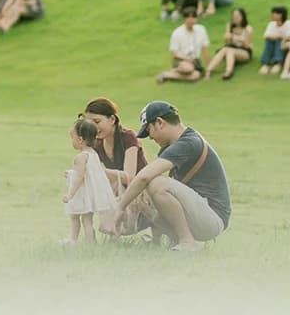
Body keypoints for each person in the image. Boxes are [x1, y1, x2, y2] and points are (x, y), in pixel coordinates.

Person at [112, 101, 231, 251]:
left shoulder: (188, 142)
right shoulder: (172, 146)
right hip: (199, 213)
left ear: (160, 123)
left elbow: (144, 177)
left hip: (212, 218)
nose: (150, 137)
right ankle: (160, 240)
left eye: (149, 131)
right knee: (145, 190)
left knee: (157, 185)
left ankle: (187, 242)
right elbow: (143, 182)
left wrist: (121, 207)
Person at [80, 98, 152, 237]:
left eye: (97, 122)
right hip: (121, 190)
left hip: (143, 190)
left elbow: (129, 177)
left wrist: (98, 171)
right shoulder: (98, 143)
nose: (94, 128)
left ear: (112, 119)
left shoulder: (128, 137)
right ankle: (91, 236)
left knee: (112, 187)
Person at [61, 118, 118, 244]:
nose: (72, 141)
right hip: (90, 195)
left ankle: (73, 239)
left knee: (74, 217)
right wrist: (71, 173)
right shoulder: (93, 154)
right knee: (87, 221)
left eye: (73, 138)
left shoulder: (80, 157)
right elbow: (89, 174)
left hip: (81, 194)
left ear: (80, 139)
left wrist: (70, 194)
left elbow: (80, 178)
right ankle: (90, 242)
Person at [158, 8, 210, 83]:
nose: (191, 20)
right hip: (180, 59)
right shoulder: (177, 33)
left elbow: (205, 51)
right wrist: (187, 59)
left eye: (193, 17)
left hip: (195, 60)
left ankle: (168, 75)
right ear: (184, 19)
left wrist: (209, 70)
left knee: (195, 76)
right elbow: (174, 54)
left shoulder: (201, 29)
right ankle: (176, 70)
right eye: (188, 17)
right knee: (188, 68)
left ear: (196, 18)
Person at [206, 7, 255, 81]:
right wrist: (228, 36)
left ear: (243, 17)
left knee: (229, 50)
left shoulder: (248, 28)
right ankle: (209, 71)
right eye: (234, 17)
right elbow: (227, 42)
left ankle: (228, 72)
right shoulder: (230, 25)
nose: (235, 19)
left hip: (245, 51)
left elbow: (247, 46)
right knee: (225, 49)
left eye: (237, 16)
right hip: (231, 48)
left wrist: (240, 40)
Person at [258, 5, 290, 74]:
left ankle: (278, 63)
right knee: (270, 40)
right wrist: (277, 36)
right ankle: (266, 64)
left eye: (274, 13)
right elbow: (266, 36)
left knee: (279, 40)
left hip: (286, 48)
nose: (271, 15)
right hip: (274, 46)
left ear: (280, 15)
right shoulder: (271, 24)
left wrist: (279, 37)